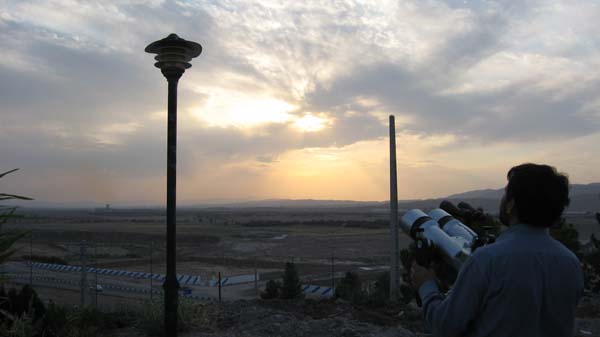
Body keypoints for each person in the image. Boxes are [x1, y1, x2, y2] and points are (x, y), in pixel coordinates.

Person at [411, 163, 584, 337]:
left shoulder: (486, 261)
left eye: (505, 194)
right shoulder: (571, 263)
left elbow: (445, 326)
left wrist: (427, 286)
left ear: (510, 204)